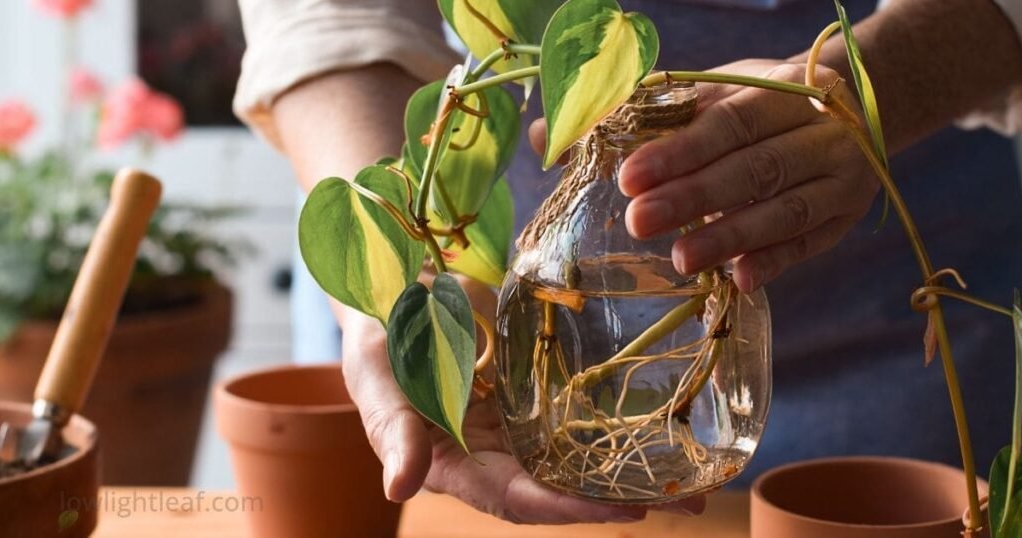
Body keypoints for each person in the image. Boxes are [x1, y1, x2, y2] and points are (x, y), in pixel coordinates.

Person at [234, 0, 1022, 525]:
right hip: (477, 309)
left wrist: (868, 89)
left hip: (904, 320)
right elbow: (324, 15)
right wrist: (400, 282)